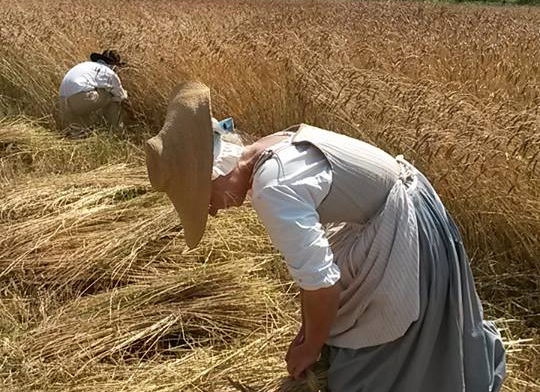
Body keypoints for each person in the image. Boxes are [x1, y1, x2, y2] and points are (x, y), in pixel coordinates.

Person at [145, 81, 506, 392]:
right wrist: (309, 331)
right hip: (400, 216)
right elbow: (317, 282)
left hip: (404, 237)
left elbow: (321, 284)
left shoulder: (274, 188)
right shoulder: (271, 147)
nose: (210, 211)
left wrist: (310, 347)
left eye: (202, 200)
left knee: (376, 360)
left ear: (214, 173)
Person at [58, 49, 128, 134]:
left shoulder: (85, 65)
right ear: (114, 65)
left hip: (62, 100)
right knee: (113, 95)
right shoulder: (109, 73)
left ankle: (80, 132)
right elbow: (121, 96)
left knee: (78, 132)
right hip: (81, 99)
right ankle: (117, 131)